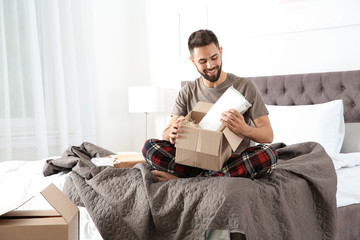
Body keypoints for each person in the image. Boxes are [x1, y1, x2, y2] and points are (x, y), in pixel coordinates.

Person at [142, 29, 278, 182]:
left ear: (220, 52)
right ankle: (207, 179)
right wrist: (172, 133)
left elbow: (268, 135)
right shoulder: (187, 91)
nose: (211, 65)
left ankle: (186, 181)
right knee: (149, 147)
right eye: (202, 61)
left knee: (269, 154)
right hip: (194, 162)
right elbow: (166, 134)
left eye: (214, 57)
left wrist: (244, 129)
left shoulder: (245, 87)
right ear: (193, 61)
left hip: (233, 161)